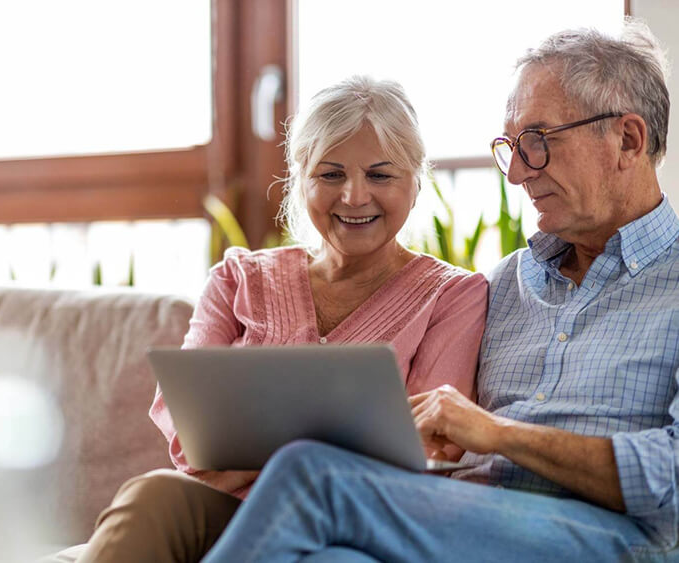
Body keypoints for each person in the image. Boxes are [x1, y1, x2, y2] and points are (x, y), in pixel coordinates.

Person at [201, 20, 679, 563]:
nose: (517, 172)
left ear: (628, 139)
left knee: (311, 474)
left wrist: (498, 434)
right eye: (511, 147)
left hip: (613, 536)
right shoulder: (504, 284)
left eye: (538, 142)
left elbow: (674, 477)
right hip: (462, 523)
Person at [74, 76, 488, 562]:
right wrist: (324, 446)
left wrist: (259, 457)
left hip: (348, 523)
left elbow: (430, 449)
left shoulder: (452, 295)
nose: (354, 197)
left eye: (380, 175)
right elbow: (191, 436)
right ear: (301, 180)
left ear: (416, 183)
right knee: (154, 494)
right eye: (330, 175)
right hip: (226, 510)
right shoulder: (237, 278)